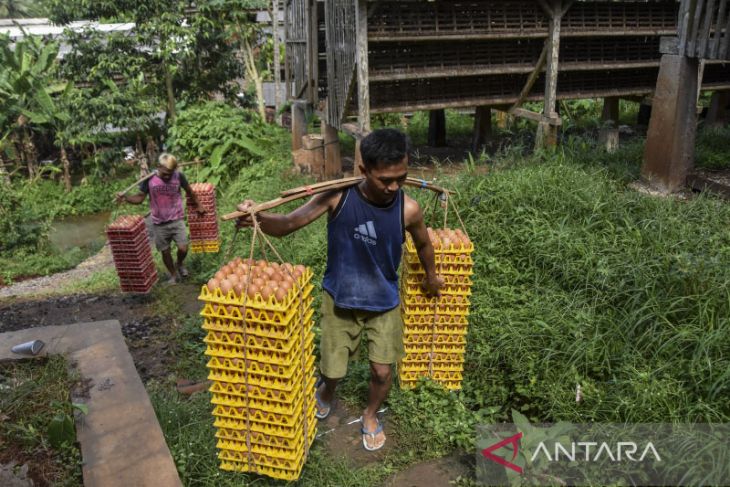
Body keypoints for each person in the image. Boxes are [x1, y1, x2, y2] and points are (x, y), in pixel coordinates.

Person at [235, 128, 443, 451]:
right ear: (363, 170)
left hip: (384, 301)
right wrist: (257, 218)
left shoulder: (409, 209)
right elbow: (289, 224)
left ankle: (371, 414)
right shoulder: (338, 196)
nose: (393, 187)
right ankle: (327, 390)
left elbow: (424, 243)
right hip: (340, 299)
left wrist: (432, 276)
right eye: (384, 179)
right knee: (332, 368)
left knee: (382, 371)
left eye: (401, 178)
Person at [116, 153, 205, 284]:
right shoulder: (149, 179)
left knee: (183, 248)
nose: (168, 176)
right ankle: (173, 275)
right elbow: (140, 198)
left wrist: (199, 204)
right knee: (165, 251)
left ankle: (179, 263)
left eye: (171, 173)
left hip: (176, 219)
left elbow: (189, 191)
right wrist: (126, 198)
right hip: (159, 223)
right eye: (166, 173)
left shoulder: (179, 176)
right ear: (158, 166)